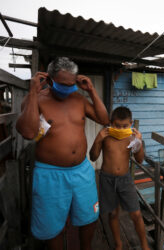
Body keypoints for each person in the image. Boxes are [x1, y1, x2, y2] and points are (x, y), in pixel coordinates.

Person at [16, 57, 109, 250]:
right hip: (50, 174)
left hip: (82, 170)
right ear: (49, 80)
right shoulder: (37, 99)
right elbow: (28, 132)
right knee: (52, 225)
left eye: (71, 84)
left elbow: (104, 118)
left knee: (89, 217)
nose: (67, 89)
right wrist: (33, 92)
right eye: (62, 84)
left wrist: (91, 90)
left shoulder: (79, 99)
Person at [89, 106, 149, 250]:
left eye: (125, 126)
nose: (121, 129)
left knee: (136, 214)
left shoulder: (132, 138)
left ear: (131, 124)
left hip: (125, 179)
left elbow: (140, 160)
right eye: (117, 126)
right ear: (110, 123)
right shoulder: (106, 137)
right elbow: (93, 156)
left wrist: (139, 142)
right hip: (106, 179)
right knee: (113, 213)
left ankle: (145, 246)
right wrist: (98, 139)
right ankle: (118, 244)